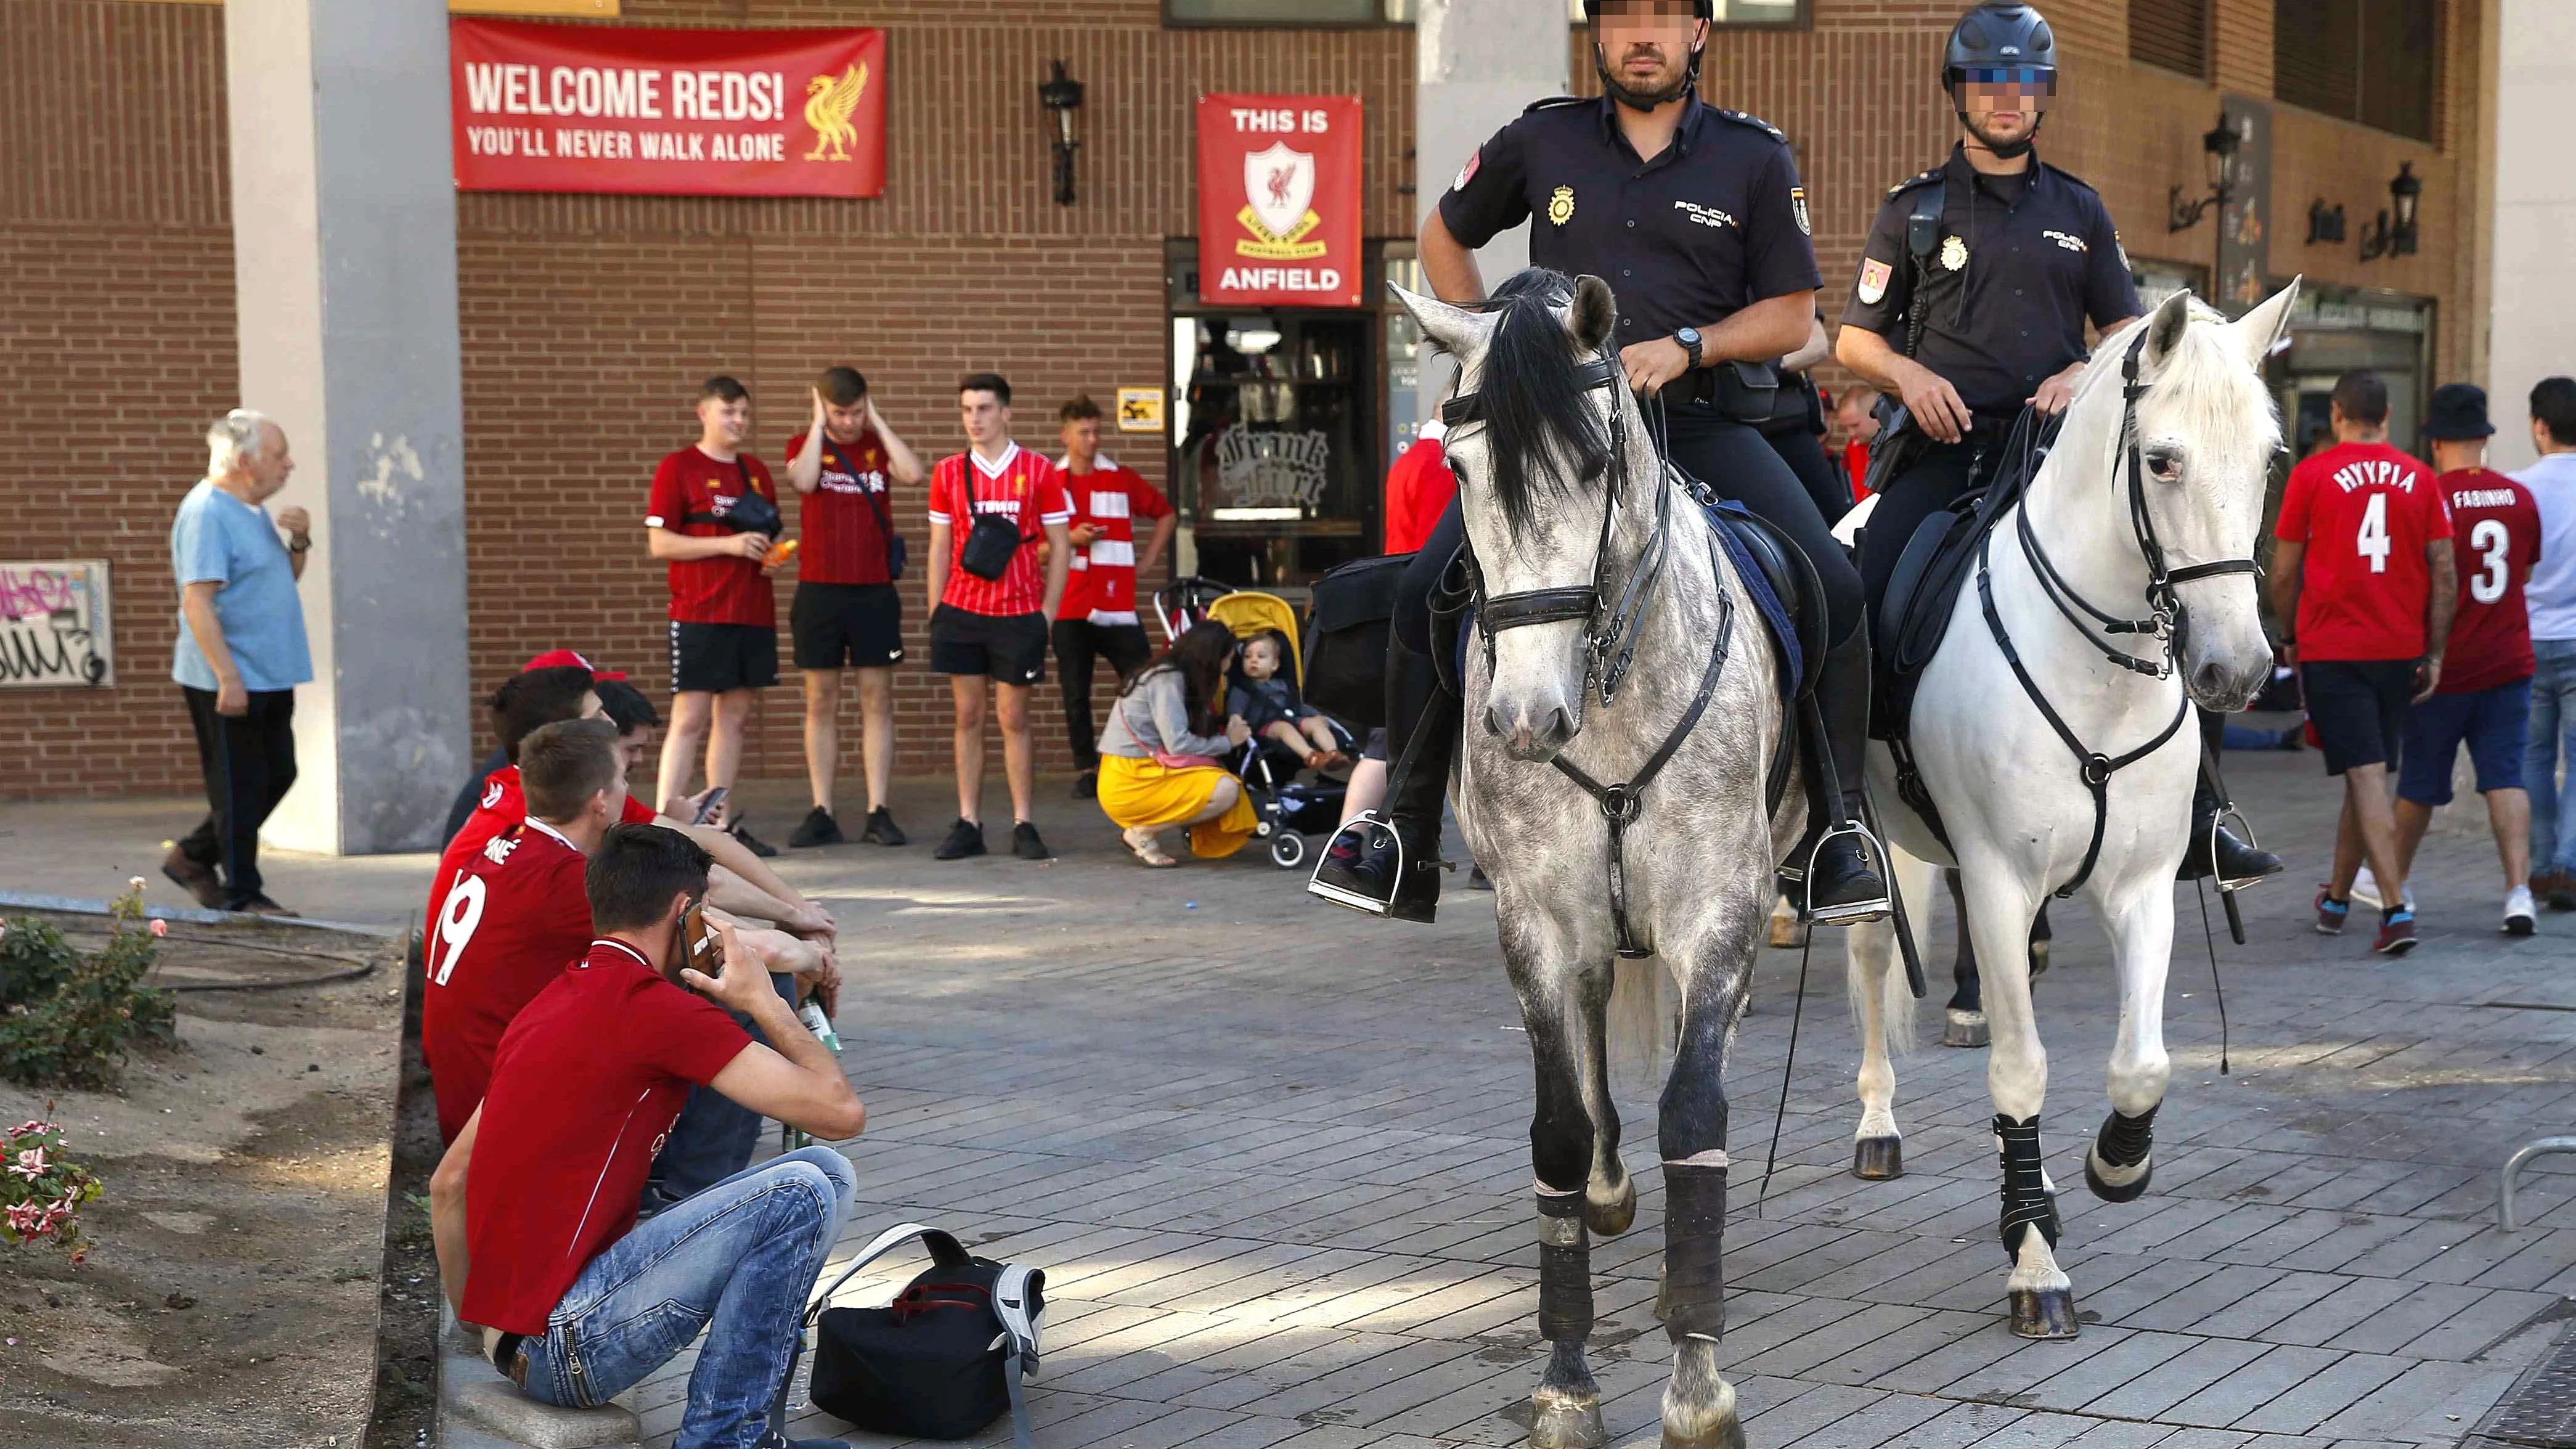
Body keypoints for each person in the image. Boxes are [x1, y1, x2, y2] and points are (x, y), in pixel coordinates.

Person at [1322, 0, 1886, 925]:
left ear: (1699, 34)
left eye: (1666, 15)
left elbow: (1792, 315)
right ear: (1598, 33)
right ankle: (1404, 830)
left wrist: (1690, 345)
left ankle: (1837, 835)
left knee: (1833, 585)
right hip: (1561, 441)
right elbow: (1442, 236)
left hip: (1697, 424)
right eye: (1624, 13)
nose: (1643, 33)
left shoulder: (1752, 155)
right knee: (1430, 586)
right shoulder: (1543, 140)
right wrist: (1490, 355)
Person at [1834, 1, 2275, 890]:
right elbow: (1853, 341)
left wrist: (2084, 372)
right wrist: (1910, 379)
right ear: (1960, 94)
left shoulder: (2080, 207)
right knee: (1858, 597)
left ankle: (2200, 814)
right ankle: (1843, 812)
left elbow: (2131, 334)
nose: (2007, 99)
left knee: (2172, 595)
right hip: (1942, 453)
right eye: (1989, 82)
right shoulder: (1912, 208)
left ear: (2045, 98)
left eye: (2025, 84)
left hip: (2054, 459)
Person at [431, 824, 865, 1449]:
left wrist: (484, 1330)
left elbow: (448, 1182)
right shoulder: (654, 1008)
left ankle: (737, 1432)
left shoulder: (551, 998)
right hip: (568, 1343)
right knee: (802, 1188)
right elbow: (842, 1110)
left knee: (825, 1169)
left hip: (525, 1339)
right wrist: (764, 999)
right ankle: (724, 1439)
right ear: (685, 912)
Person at [2268, 370, 2457, 955]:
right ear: (2389, 413)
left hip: (2334, 646)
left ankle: (2397, 910)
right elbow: (2445, 572)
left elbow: (2282, 571)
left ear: (2337, 412)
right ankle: (2336, 900)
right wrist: (2435, 648)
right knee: (2366, 772)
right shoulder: (2422, 478)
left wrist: (2291, 635)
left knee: (2366, 773)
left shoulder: (2311, 474)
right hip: (2399, 648)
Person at [2371, 385, 2542, 936]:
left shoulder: (2428, 496)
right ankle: (2519, 891)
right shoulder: (2518, 497)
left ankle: (2397, 886)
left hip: (2441, 667)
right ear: (2484, 439)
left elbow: (2415, 580)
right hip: (2509, 661)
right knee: (2506, 778)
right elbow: (2525, 572)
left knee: (2420, 784)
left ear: (2437, 441)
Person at [425, 719, 628, 1141]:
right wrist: (795, 950)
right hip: (506, 1120)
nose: (629, 787)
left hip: (466, 1101)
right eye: (624, 777)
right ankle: (686, 1186)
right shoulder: (564, 878)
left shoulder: (505, 842)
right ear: (600, 801)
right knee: (702, 997)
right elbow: (687, 943)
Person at [162, 409, 312, 917]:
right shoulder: (207, 513)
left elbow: (278, 580)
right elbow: (197, 602)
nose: (289, 464)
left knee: (278, 772)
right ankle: (243, 892)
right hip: (231, 676)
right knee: (238, 784)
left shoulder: (250, 509)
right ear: (246, 461)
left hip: (269, 671)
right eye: (279, 455)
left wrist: (299, 541)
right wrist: (227, 676)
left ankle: (193, 856)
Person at [924, 373, 1074, 862]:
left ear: (1006, 412)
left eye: (985, 408)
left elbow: (1062, 545)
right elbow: (940, 546)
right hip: (962, 610)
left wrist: (1047, 613)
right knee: (967, 715)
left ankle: (1023, 820)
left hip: (1019, 612)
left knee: (1014, 717)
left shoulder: (1039, 469)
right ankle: (969, 820)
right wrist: (936, 609)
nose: (975, 418)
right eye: (967, 408)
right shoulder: (948, 471)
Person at [647, 375, 788, 857]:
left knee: (735, 719)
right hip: (699, 610)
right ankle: (667, 826)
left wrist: (771, 555)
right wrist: (725, 544)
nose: (738, 422)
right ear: (702, 412)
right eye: (729, 412)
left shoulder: (756, 472)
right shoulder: (679, 467)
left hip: (751, 610)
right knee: (690, 717)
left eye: (745, 413)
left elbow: (765, 534)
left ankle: (718, 825)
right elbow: (660, 542)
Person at [783, 366, 922, 851]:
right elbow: (802, 481)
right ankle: (822, 808)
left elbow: (912, 473)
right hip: (820, 590)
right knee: (820, 701)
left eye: (855, 411)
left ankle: (876, 809)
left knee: (875, 699)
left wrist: (877, 421)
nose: (848, 422)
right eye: (839, 412)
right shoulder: (807, 442)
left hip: (873, 591)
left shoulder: (876, 445)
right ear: (822, 406)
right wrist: (819, 425)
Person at [1050, 396, 1175, 802]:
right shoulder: (1048, 482)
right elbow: (1028, 546)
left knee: (1144, 679)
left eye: (1096, 431)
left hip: (1118, 604)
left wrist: (1148, 560)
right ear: (1065, 435)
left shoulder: (1119, 477)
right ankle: (1087, 769)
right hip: (1070, 604)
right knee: (1075, 692)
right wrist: (1070, 538)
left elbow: (1166, 514)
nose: (1091, 439)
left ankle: (1147, 757)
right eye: (1083, 432)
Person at [1096, 620, 1257, 868]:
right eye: (1229, 657)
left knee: (1219, 782)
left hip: (1135, 771)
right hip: (1129, 780)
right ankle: (1143, 833)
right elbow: (1178, 745)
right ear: (1213, 658)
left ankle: (1145, 832)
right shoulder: (1167, 681)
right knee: (1225, 790)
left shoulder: (1168, 673)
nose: (1230, 665)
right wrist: (1228, 742)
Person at [441, 650, 629, 847]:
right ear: (557, 733)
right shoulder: (537, 808)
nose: (612, 723)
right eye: (597, 717)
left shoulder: (556, 780)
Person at [2521, 376, 2576, 909]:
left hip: (2530, 641)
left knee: (2534, 757)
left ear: (2540, 427)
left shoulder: (2518, 488)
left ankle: (2537, 867)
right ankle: (2570, 864)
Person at [1232, 631, 1345, 772]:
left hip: (1293, 720)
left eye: (1261, 656)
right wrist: (1236, 721)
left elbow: (1297, 705)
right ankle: (1311, 756)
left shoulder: (1284, 686)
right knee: (1283, 727)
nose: (1253, 660)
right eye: (1247, 657)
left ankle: (1332, 753)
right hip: (1264, 728)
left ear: (1274, 665)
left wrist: (1316, 715)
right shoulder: (1242, 689)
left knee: (1317, 722)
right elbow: (1235, 712)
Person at [1834, 385, 1880, 502]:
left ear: (1876, 415)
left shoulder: (1896, 447)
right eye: (1846, 428)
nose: (1851, 433)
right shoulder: (1853, 448)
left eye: (1855, 425)